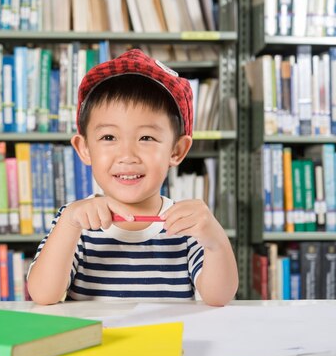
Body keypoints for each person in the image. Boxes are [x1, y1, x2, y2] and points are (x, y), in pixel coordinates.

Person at [27, 49, 238, 307]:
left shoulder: (184, 225)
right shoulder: (75, 220)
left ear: (177, 150)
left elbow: (219, 297)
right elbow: (43, 295)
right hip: (98, 346)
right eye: (108, 138)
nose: (127, 155)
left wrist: (215, 240)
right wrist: (69, 223)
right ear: (84, 149)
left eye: (146, 138)